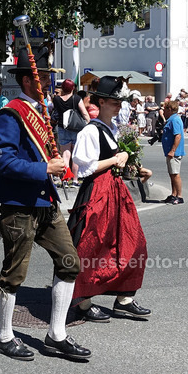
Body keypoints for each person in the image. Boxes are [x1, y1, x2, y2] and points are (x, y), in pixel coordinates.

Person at [0, 61, 90, 361]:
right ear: (25, 80)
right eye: (42, 77)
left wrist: (53, 167)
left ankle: (56, 334)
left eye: (48, 77)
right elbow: (4, 162)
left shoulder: (43, 112)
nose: (48, 82)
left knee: (70, 262)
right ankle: (4, 335)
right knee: (14, 273)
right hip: (19, 205)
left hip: (46, 202)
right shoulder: (10, 114)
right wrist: (45, 168)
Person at [68, 77, 151, 322]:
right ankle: (83, 301)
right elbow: (84, 169)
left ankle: (124, 298)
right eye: (114, 102)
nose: (118, 106)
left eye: (120, 102)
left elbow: (119, 162)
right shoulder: (90, 131)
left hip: (116, 192)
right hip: (97, 193)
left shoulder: (113, 129)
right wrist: (116, 159)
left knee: (132, 243)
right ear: (101, 102)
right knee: (91, 245)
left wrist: (135, 169)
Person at [161, 99, 185, 205]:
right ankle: (173, 194)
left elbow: (178, 136)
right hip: (170, 152)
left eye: (165, 109)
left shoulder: (174, 119)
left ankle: (179, 196)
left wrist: (173, 150)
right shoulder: (171, 119)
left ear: (170, 109)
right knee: (172, 174)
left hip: (174, 153)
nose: (163, 111)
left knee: (175, 174)